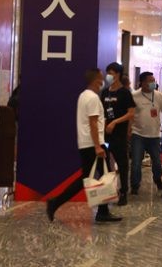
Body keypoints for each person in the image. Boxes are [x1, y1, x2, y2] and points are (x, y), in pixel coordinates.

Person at [46, 68, 121, 223]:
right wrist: (98, 146)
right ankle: (57, 202)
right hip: (94, 144)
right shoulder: (92, 98)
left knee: (93, 176)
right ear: (96, 80)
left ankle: (101, 211)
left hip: (87, 143)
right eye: (101, 78)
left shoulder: (83, 96)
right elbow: (93, 123)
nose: (103, 81)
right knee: (103, 176)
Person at [100, 62, 135, 206]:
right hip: (105, 135)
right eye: (108, 72)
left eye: (111, 73)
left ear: (118, 74)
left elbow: (131, 113)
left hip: (119, 135)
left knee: (122, 164)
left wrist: (115, 122)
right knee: (105, 164)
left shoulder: (125, 93)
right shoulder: (105, 92)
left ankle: (124, 191)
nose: (108, 75)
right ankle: (109, 191)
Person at [130, 72, 162, 194]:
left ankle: (158, 179)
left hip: (154, 135)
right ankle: (135, 185)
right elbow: (130, 115)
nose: (153, 83)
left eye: (153, 80)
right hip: (138, 134)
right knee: (136, 162)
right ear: (142, 83)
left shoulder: (159, 96)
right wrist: (128, 131)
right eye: (150, 81)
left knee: (157, 161)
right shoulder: (134, 96)